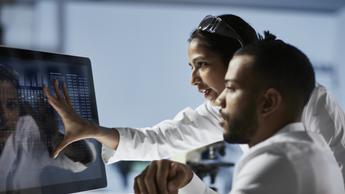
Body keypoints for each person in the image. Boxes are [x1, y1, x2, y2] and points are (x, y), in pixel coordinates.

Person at [44, 14, 345, 182]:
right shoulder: (223, 111)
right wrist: (93, 134)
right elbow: (159, 139)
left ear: (239, 61)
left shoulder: (307, 103)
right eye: (191, 68)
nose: (193, 80)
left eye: (202, 65)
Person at [133, 32, 345, 194]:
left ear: (269, 102)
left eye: (232, 89)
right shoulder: (313, 153)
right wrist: (189, 184)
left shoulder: (274, 161)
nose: (221, 100)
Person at [0, 65, 95, 192]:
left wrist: (54, 135)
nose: (4, 115)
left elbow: (83, 158)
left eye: (11, 105)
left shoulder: (26, 131)